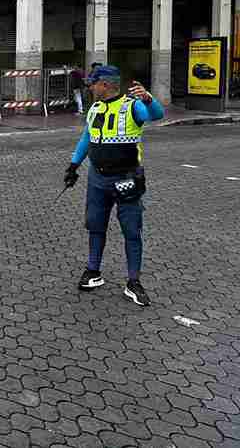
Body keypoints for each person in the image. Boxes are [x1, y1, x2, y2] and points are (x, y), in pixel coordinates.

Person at [64, 65, 164, 307]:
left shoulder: (132, 106)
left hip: (126, 179)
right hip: (97, 179)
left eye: (93, 83)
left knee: (131, 230)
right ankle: (93, 271)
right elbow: (87, 138)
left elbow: (156, 115)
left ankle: (133, 282)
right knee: (95, 226)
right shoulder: (95, 108)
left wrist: (149, 99)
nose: (90, 87)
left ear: (105, 85)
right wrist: (73, 165)